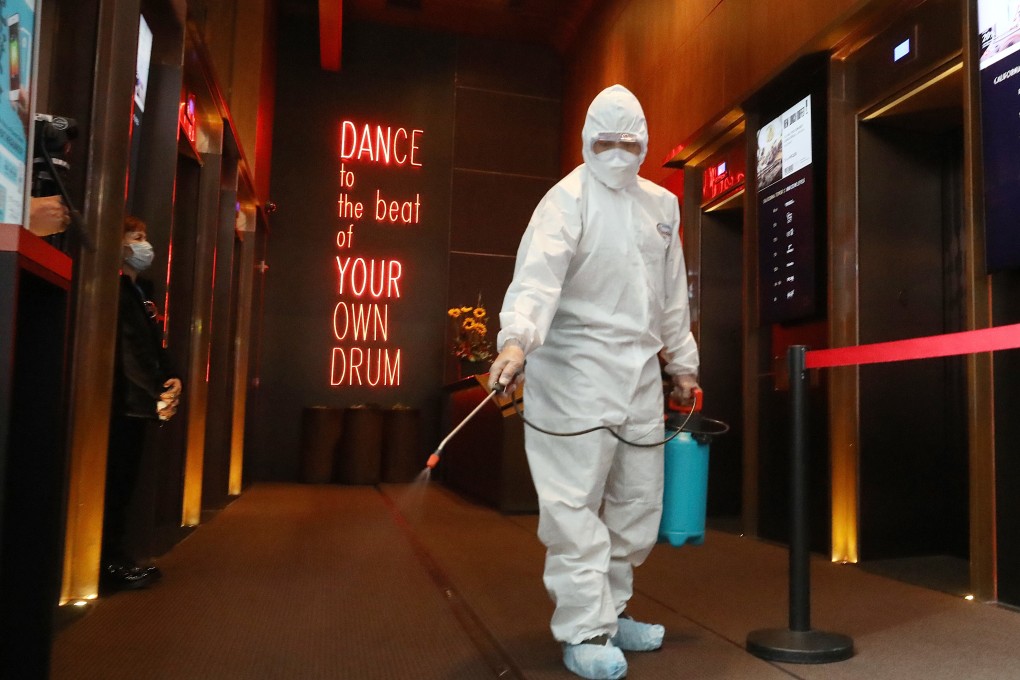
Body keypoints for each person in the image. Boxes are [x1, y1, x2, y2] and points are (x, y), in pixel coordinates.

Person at [488, 84, 700, 680]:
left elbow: (671, 297)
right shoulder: (565, 201)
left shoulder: (661, 206)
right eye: (603, 143)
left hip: (637, 371)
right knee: (574, 505)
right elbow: (537, 279)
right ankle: (583, 627)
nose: (615, 154)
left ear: (645, 144)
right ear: (586, 141)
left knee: (637, 501)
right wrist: (515, 340)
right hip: (573, 371)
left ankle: (612, 609)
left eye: (628, 143)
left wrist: (682, 363)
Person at [101, 215, 182, 592]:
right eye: (136, 236)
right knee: (114, 484)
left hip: (137, 404)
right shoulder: (113, 292)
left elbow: (151, 347)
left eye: (145, 236)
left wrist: (169, 378)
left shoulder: (141, 294)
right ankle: (107, 562)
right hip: (121, 405)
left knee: (124, 484)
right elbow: (128, 355)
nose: (144, 244)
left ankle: (114, 557)